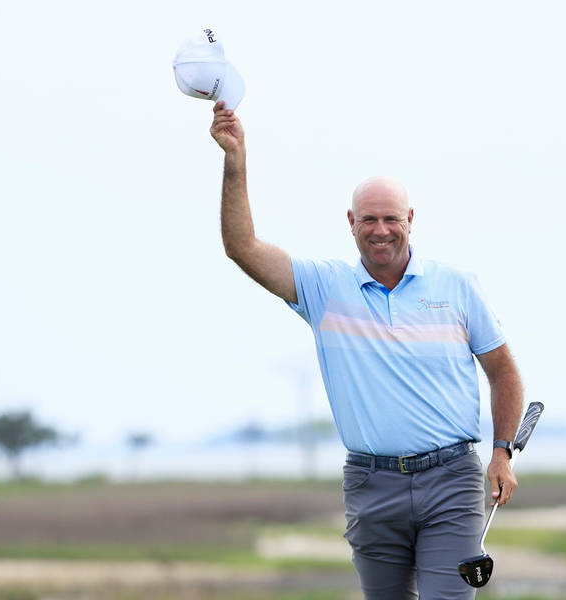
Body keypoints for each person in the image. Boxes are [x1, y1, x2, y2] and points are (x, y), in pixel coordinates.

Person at [209, 101, 524, 600]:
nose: (381, 230)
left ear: (411, 219)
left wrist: (501, 453)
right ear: (351, 221)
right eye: (370, 219)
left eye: (392, 219)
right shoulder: (323, 288)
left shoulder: (458, 287)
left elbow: (503, 372)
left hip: (452, 479)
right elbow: (241, 247)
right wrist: (235, 159)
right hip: (371, 483)